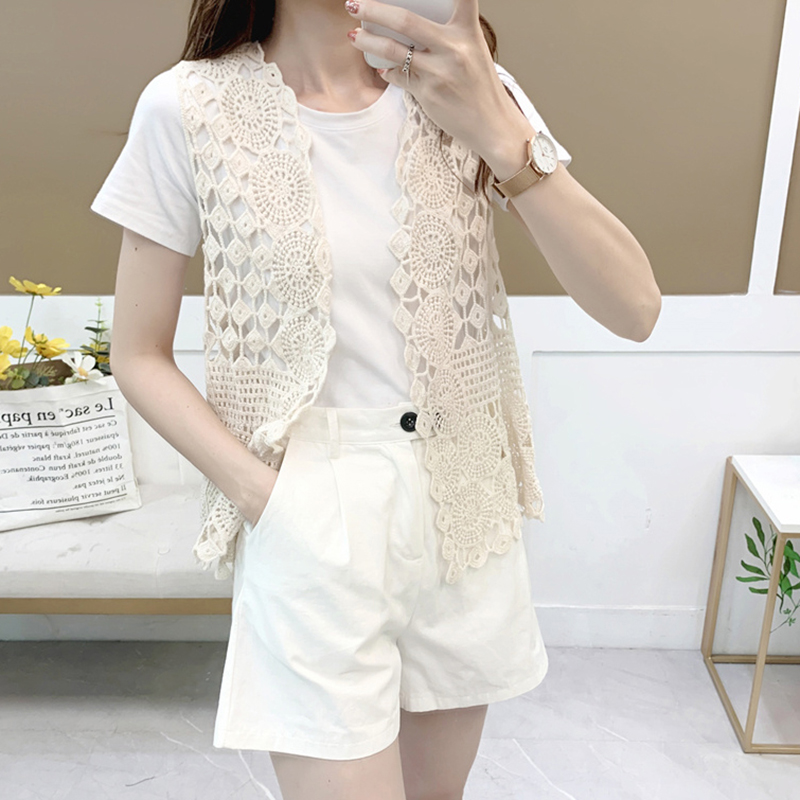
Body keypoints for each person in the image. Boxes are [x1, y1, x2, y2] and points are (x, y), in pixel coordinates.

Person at [90, 1, 660, 798]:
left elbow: (635, 309)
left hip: (464, 506)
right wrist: (267, 498)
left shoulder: (468, 86)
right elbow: (138, 354)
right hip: (309, 507)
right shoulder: (186, 106)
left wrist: (498, 130)